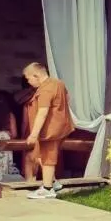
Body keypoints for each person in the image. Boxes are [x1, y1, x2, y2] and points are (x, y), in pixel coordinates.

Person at [22, 62, 74, 199]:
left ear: (36, 75)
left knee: (47, 158)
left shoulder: (46, 90)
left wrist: (33, 134)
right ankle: (53, 181)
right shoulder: (58, 83)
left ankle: (47, 188)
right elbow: (68, 98)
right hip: (61, 126)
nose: (28, 82)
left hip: (50, 130)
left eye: (28, 79)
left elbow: (42, 112)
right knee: (40, 156)